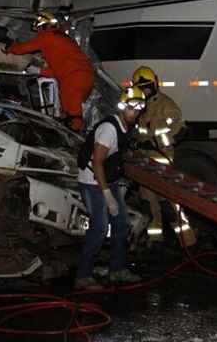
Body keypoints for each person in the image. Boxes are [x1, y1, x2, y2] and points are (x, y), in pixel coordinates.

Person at [74, 86, 145, 290]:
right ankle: (83, 276)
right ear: (122, 107)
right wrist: (107, 195)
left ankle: (117, 269)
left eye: (139, 109)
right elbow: (96, 162)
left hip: (108, 178)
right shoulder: (109, 129)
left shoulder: (128, 126)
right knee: (99, 228)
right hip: (91, 180)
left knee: (122, 224)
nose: (136, 112)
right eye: (132, 108)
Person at [131, 66, 196, 248]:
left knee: (170, 206)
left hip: (162, 162)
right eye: (141, 87)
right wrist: (138, 143)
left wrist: (159, 142)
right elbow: (139, 133)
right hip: (144, 163)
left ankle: (188, 242)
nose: (145, 90)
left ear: (155, 84)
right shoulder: (140, 107)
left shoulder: (166, 105)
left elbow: (181, 130)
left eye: (148, 86)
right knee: (150, 206)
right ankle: (156, 243)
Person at [5, 11, 95, 132]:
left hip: (73, 77)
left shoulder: (47, 36)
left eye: (38, 28)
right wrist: (39, 70)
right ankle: (69, 130)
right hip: (86, 77)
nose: (37, 32)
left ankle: (73, 136)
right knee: (68, 110)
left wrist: (9, 48)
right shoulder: (64, 38)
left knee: (73, 113)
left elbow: (24, 48)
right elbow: (59, 70)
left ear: (43, 26)